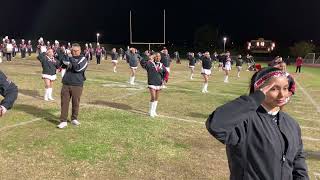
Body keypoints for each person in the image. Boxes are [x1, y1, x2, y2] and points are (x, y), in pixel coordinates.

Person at [206, 67, 309, 180]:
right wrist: (254, 99)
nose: (282, 95)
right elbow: (216, 125)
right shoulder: (244, 121)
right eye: (274, 89)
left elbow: (298, 160)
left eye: (285, 88)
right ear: (260, 90)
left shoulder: (291, 124)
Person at [56, 43, 88, 129]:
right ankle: (63, 121)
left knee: (75, 102)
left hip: (77, 84)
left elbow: (78, 68)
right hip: (66, 83)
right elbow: (60, 65)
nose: (74, 52)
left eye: (76, 51)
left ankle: (74, 118)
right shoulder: (69, 57)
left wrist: (70, 58)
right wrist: (62, 54)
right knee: (64, 103)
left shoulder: (83, 59)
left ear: (80, 50)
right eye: (73, 50)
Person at [140, 52, 169, 118]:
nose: (158, 57)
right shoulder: (150, 63)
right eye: (156, 56)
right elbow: (142, 62)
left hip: (159, 84)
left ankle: (154, 111)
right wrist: (150, 57)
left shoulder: (162, 65)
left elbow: (166, 73)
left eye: (159, 56)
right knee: (153, 97)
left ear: (160, 57)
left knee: (156, 98)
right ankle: (150, 111)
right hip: (152, 83)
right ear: (154, 57)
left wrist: (164, 80)